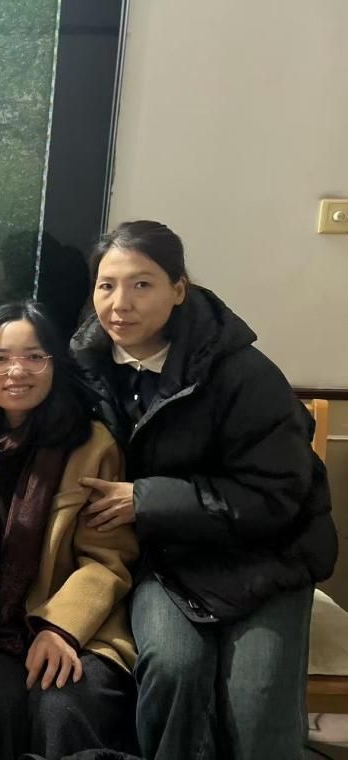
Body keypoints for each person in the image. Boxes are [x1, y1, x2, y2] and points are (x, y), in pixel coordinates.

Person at [71, 220, 338, 760]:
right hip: (168, 560)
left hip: (268, 557)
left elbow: (278, 497)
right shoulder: (86, 366)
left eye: (142, 284)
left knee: (256, 707)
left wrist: (144, 500)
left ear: (178, 289)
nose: (120, 304)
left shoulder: (244, 374)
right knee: (174, 669)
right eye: (107, 285)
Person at [0, 302, 139, 759]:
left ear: (55, 364)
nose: (16, 371)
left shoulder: (92, 444)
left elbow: (108, 559)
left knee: (60, 703)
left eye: (34, 357)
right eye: (0, 358)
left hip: (82, 627)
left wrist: (59, 628)